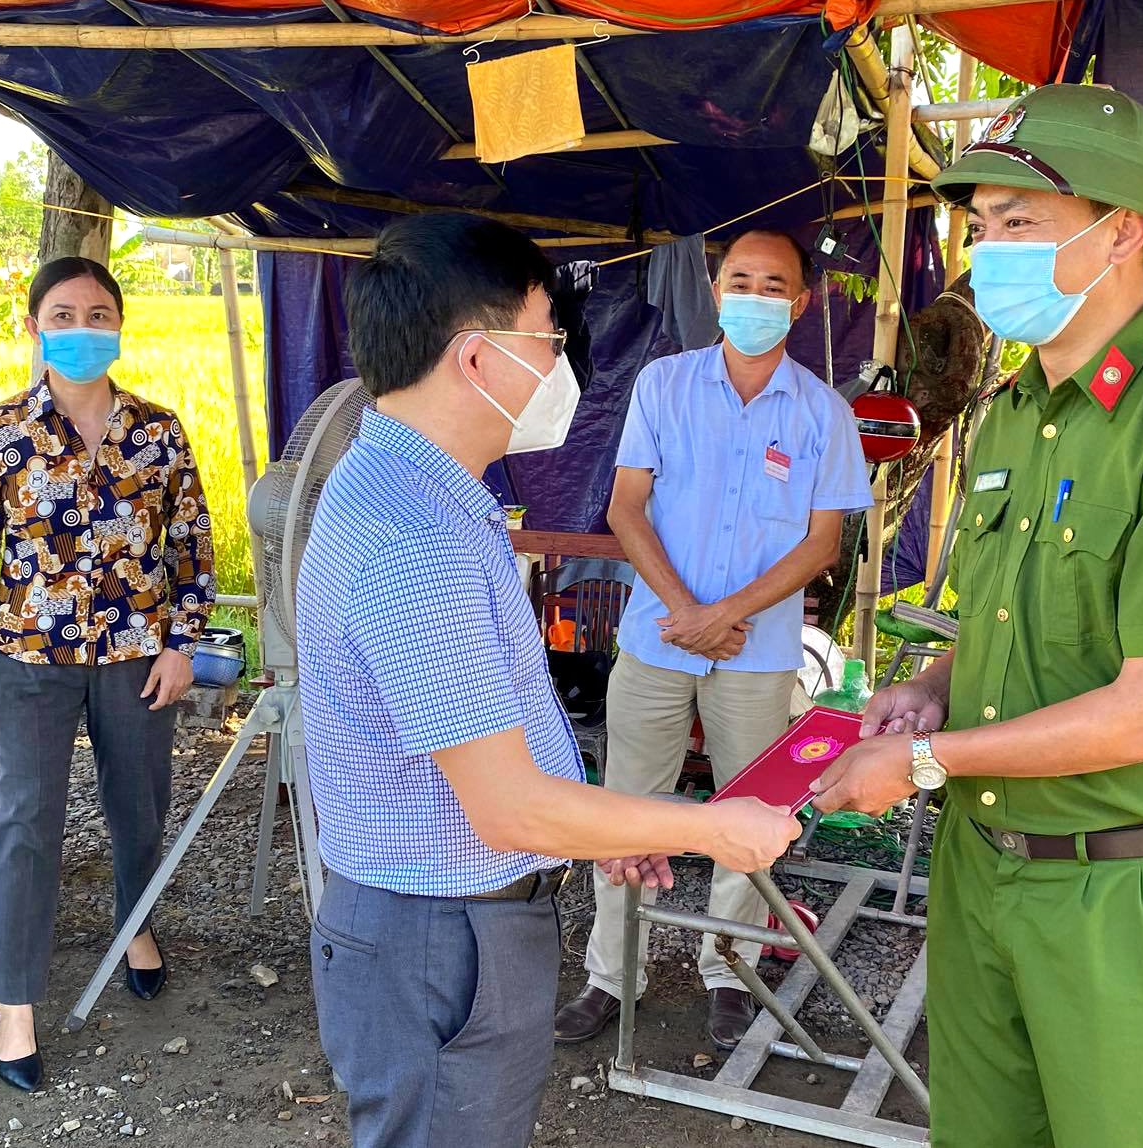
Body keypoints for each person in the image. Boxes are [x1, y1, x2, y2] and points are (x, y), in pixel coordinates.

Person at [809, 84, 1143, 1147]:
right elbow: (1019, 625)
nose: (990, 252)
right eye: (982, 227)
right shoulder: (1019, 413)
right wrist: (932, 691)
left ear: (1122, 230)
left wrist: (925, 764)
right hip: (982, 863)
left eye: (1020, 223)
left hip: (1119, 891)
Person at [293, 212, 801, 1148]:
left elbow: (502, 766)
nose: (564, 365)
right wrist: (708, 828)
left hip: (452, 919)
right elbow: (510, 811)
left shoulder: (429, 490)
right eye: (549, 340)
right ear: (479, 360)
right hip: (439, 939)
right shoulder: (416, 538)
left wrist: (601, 829)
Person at [553, 228, 872, 1050]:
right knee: (627, 808)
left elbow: (821, 544)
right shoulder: (664, 384)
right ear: (715, 288)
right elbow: (626, 506)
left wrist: (724, 616)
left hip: (756, 653)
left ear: (801, 304)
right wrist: (689, 612)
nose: (755, 297)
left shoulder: (822, 413)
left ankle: (728, 970)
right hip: (657, 638)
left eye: (774, 286)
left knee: (752, 810)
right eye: (740, 280)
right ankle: (609, 973)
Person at [0, 257, 216, 1092]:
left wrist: (180, 643)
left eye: (99, 313)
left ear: (120, 326)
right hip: (27, 660)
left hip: (135, 656)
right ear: (34, 327)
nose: (83, 327)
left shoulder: (158, 431)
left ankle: (137, 927)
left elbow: (192, 548)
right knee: (27, 824)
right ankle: (14, 1002)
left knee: (138, 804)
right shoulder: (0, 432)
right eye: (65, 313)